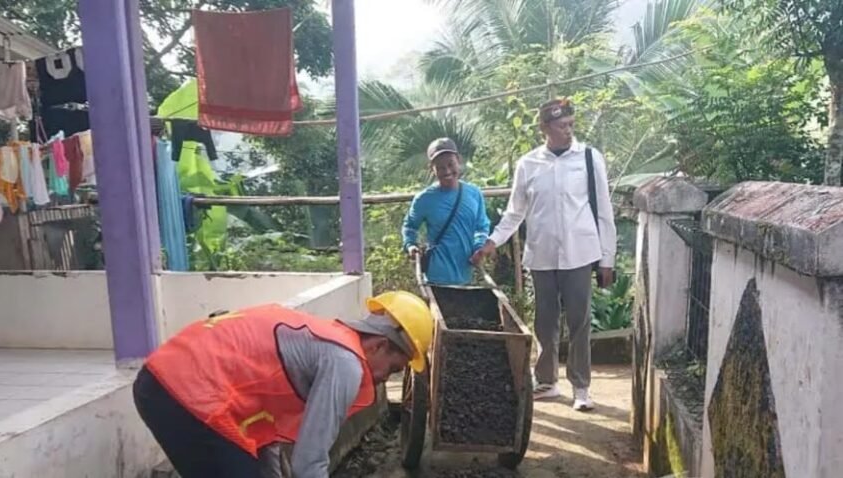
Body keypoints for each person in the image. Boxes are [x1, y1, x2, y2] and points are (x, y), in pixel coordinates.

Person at [132, 290, 434, 478]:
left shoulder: (322, 340)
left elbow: (265, 441)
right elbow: (310, 462)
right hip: (187, 393)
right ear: (380, 345)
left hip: (162, 385)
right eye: (394, 368)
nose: (387, 378)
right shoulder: (346, 363)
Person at [472, 98, 617, 411]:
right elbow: (515, 212)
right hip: (542, 254)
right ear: (545, 129)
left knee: (579, 321)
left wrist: (608, 260)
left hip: (580, 252)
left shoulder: (590, 159)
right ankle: (548, 381)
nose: (568, 131)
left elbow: (604, 212)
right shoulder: (528, 164)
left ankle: (581, 387)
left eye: (571, 125)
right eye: (561, 126)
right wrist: (493, 241)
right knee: (545, 321)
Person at [403, 137, 490, 285]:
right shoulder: (424, 199)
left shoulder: (474, 194)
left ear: (459, 161)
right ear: (432, 169)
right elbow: (410, 226)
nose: (447, 171)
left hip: (466, 274)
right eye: (441, 167)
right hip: (436, 276)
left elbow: (482, 227)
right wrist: (410, 245)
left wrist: (479, 247)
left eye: (451, 164)